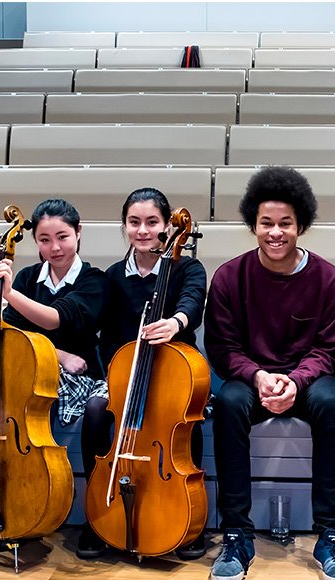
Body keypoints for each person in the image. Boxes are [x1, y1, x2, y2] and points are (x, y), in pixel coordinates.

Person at [203, 166, 335, 580]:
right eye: (266, 223)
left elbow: (327, 352)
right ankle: (236, 534)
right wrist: (258, 377)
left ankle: (330, 535)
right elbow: (222, 349)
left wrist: (295, 382)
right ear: (253, 224)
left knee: (330, 402)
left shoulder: (328, 278)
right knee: (230, 403)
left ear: (300, 225)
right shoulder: (230, 277)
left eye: (285, 224)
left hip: (307, 381)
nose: (275, 233)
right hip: (252, 380)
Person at [76, 188, 209, 561]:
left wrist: (175, 322)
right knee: (95, 411)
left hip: (175, 372)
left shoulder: (187, 267)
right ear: (124, 227)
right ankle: (99, 512)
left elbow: (193, 303)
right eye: (134, 223)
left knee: (184, 416)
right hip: (125, 374)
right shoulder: (114, 276)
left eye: (152, 222)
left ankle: (189, 518)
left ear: (168, 226)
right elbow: (99, 329)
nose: (143, 230)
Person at [0, 197, 109, 465]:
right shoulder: (26, 277)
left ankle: (95, 486)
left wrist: (9, 294)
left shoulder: (94, 280)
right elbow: (9, 330)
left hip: (83, 376)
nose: (55, 247)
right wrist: (58, 354)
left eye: (63, 237)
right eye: (44, 240)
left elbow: (55, 319)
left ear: (78, 231)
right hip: (34, 372)